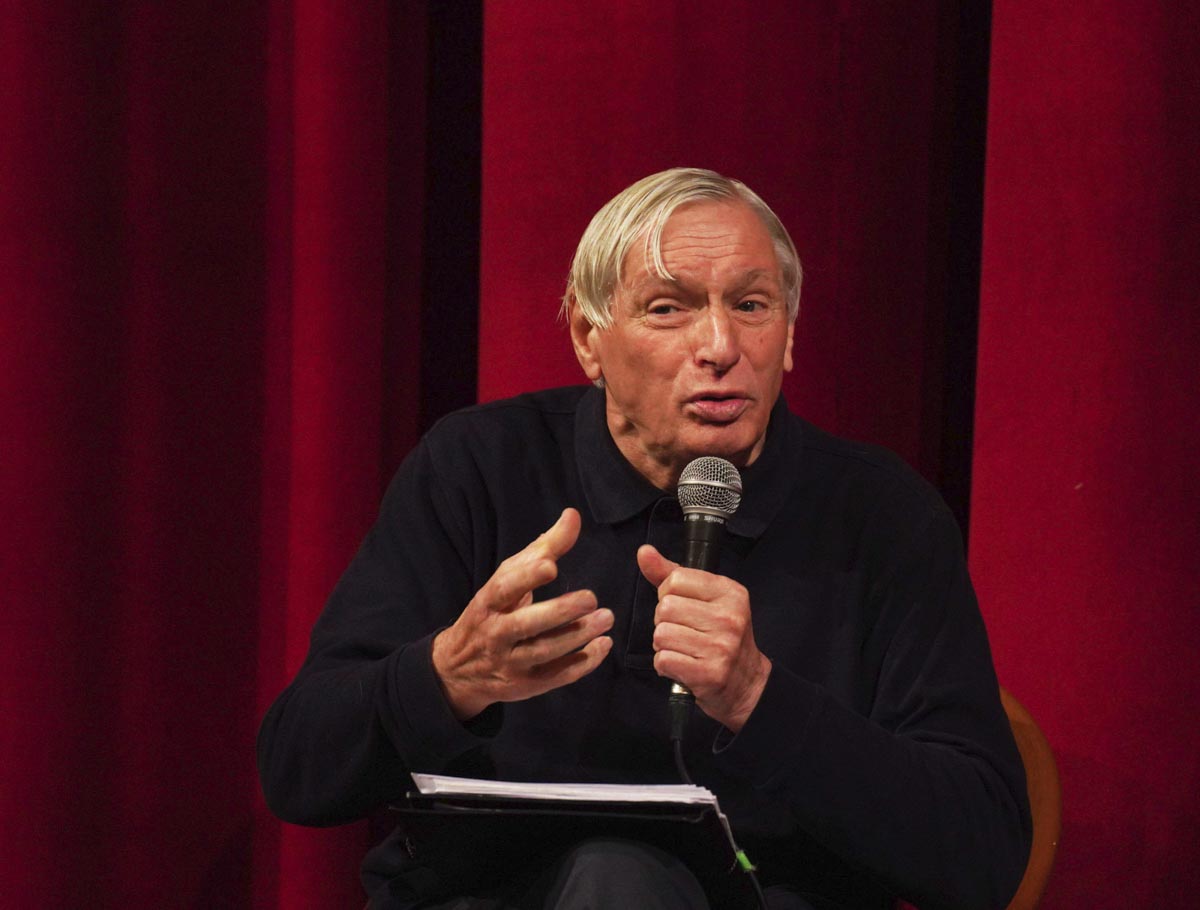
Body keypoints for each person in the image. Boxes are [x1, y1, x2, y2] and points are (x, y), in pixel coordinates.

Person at [258, 168, 1031, 909]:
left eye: (752, 305)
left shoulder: (880, 516)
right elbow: (299, 770)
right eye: (669, 309)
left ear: (790, 336)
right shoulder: (478, 469)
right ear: (588, 339)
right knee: (612, 877)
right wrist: (448, 677)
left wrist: (758, 697)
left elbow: (983, 857)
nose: (721, 345)